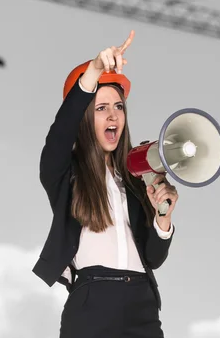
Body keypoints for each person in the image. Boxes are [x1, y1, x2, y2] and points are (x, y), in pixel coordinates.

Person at [32, 31, 178, 338]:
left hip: (142, 304)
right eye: (101, 108)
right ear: (84, 117)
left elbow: (153, 258)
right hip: (92, 303)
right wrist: (95, 70)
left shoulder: (136, 178)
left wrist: (162, 220)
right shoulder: (64, 172)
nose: (113, 115)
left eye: (118, 106)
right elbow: (60, 133)